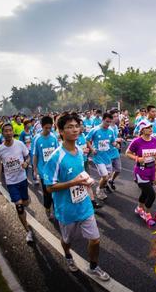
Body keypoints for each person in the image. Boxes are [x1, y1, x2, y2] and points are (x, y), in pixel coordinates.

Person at [43, 112, 110, 281]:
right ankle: (67, 255)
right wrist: (72, 183)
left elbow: (80, 174)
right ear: (61, 132)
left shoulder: (80, 151)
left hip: (84, 205)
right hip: (66, 210)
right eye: (69, 127)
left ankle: (94, 266)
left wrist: (86, 181)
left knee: (95, 240)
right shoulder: (55, 157)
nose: (74, 130)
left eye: (76, 126)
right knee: (67, 240)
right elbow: (50, 188)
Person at [0, 123, 33, 244]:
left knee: (25, 202)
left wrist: (27, 163)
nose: (8, 133)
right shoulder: (0, 150)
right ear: (2, 133)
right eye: (5, 131)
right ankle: (28, 231)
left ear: (12, 132)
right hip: (11, 182)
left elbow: (28, 157)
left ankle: (26, 199)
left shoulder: (20, 144)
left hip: (22, 179)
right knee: (19, 207)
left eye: (10, 130)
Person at [126, 120, 156, 227]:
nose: (151, 129)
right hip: (140, 171)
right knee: (151, 194)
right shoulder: (137, 141)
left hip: (151, 170)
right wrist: (137, 158)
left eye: (151, 127)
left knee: (145, 193)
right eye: (148, 127)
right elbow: (127, 153)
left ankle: (139, 208)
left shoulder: (155, 140)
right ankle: (147, 214)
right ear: (142, 130)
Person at [32, 116, 59, 219]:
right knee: (47, 193)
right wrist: (35, 170)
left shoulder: (54, 137)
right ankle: (47, 208)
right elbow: (35, 155)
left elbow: (57, 153)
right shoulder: (37, 139)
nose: (48, 130)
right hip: (44, 172)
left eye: (50, 127)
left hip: (54, 170)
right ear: (42, 127)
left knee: (56, 192)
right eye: (46, 128)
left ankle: (56, 210)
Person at [86, 112, 116, 201]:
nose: (108, 124)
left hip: (107, 157)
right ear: (102, 120)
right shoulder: (95, 130)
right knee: (105, 177)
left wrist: (116, 144)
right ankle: (99, 190)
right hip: (98, 157)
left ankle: (101, 188)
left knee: (108, 176)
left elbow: (112, 142)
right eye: (107, 121)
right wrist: (92, 149)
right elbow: (87, 140)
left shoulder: (111, 130)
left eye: (110, 122)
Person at [107, 110, 123, 191]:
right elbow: (107, 139)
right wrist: (117, 140)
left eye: (117, 116)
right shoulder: (107, 128)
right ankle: (104, 185)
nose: (116, 118)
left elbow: (116, 138)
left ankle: (111, 180)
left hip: (115, 151)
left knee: (118, 169)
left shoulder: (116, 127)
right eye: (114, 116)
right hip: (107, 152)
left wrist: (119, 140)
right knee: (107, 172)